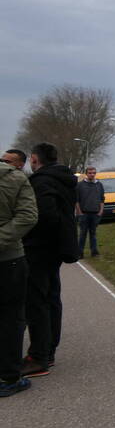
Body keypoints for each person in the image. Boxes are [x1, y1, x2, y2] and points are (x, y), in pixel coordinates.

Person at [22, 142, 78, 377]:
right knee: (51, 297)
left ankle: (39, 357)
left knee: (36, 300)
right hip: (57, 248)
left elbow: (45, 216)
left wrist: (29, 237)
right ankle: (49, 350)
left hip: (41, 249)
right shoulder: (64, 178)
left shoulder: (41, 181)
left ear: (35, 159)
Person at [0, 157, 38, 396]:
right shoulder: (15, 178)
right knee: (10, 319)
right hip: (9, 258)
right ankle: (8, 378)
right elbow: (27, 216)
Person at [76, 166, 105, 257]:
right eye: (90, 173)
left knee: (93, 234)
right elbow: (76, 200)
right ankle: (80, 253)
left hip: (95, 213)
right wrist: (79, 212)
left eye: (93, 173)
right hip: (84, 213)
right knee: (82, 234)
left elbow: (102, 199)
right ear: (86, 174)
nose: (92, 174)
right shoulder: (80, 185)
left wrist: (100, 211)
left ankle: (94, 252)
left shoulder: (99, 185)